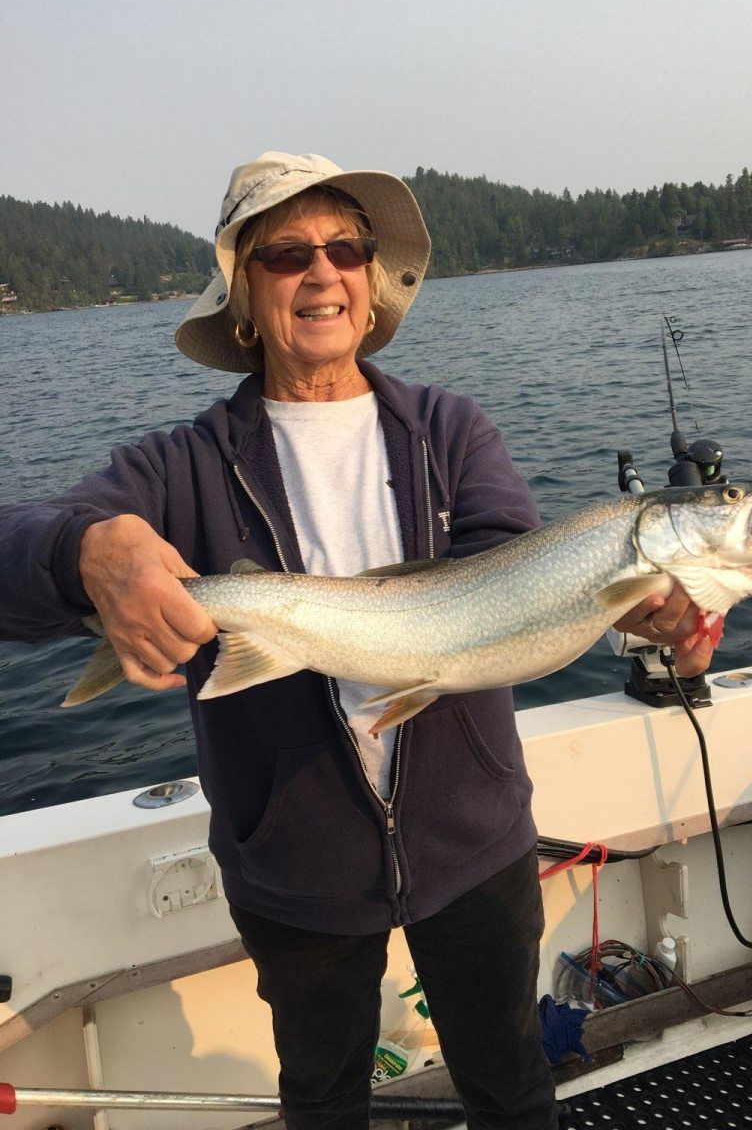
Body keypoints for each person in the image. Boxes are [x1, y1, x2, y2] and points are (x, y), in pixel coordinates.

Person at [0, 152, 714, 1129]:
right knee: (325, 1099)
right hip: (296, 869)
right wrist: (89, 551)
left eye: (345, 247)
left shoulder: (451, 433)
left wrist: (635, 607)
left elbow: (519, 579)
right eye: (286, 252)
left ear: (371, 283)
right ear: (244, 296)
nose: (321, 271)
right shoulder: (181, 468)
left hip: (473, 845)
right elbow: (18, 556)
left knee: (510, 1083)